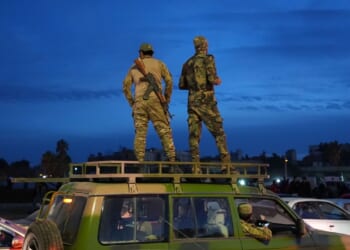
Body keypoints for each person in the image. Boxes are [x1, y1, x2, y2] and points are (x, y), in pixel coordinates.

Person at [178, 35, 231, 173]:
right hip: (206, 102)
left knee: (194, 136)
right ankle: (226, 167)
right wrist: (218, 80)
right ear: (205, 46)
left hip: (192, 103)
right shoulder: (208, 59)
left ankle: (196, 168)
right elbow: (212, 79)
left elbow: (181, 85)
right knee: (219, 133)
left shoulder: (187, 63)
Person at [122, 43, 177, 167]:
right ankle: (173, 163)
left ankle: (140, 164)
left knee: (140, 134)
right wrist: (166, 100)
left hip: (140, 103)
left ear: (141, 53)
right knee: (164, 131)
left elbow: (125, 87)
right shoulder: (159, 64)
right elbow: (169, 81)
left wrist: (133, 103)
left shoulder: (133, 67)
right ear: (152, 53)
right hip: (156, 101)